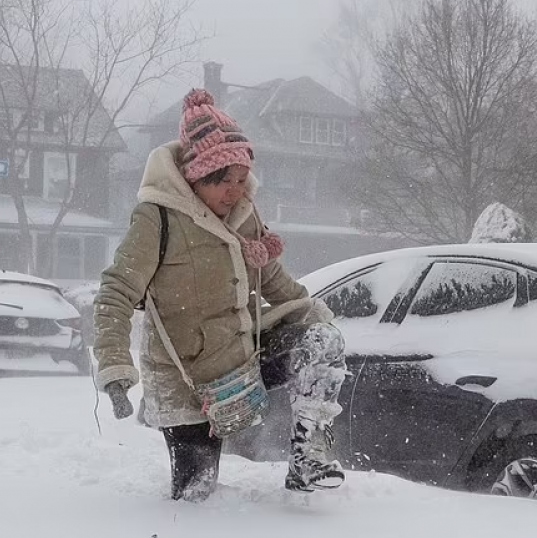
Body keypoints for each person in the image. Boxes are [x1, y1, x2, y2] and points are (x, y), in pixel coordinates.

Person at [93, 89, 349, 502]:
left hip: (243, 360)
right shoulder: (157, 217)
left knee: (321, 339)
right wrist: (115, 366)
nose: (234, 191)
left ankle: (312, 457)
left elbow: (277, 283)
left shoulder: (244, 216)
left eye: (240, 178)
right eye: (222, 180)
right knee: (197, 497)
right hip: (186, 381)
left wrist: (322, 322)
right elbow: (116, 291)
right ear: (196, 176)